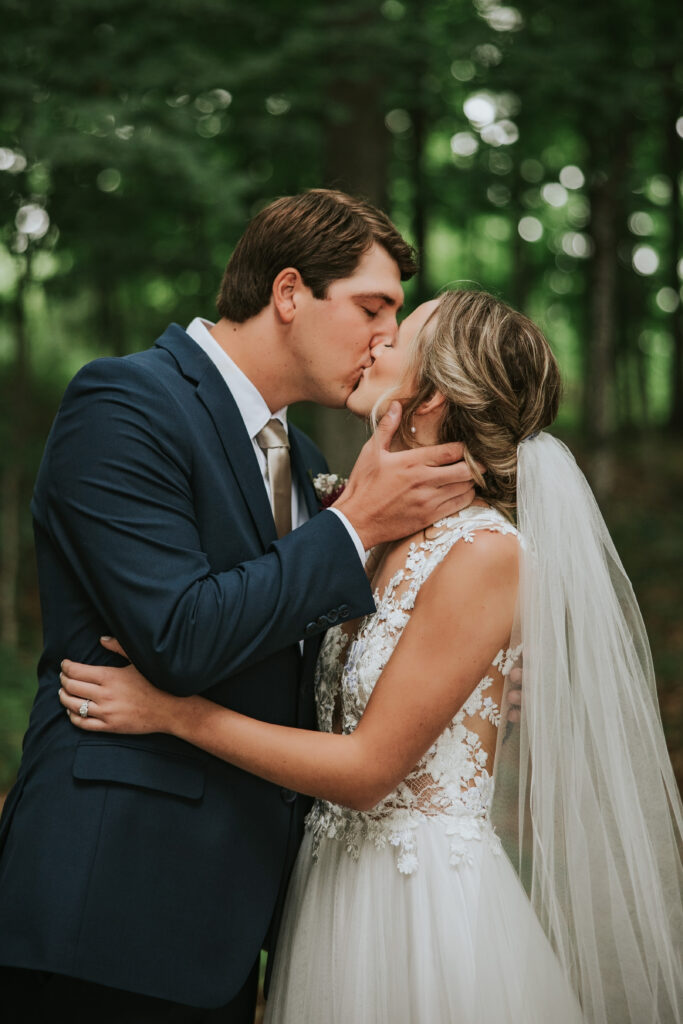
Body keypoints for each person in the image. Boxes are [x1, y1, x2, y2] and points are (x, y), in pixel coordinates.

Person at [60, 289, 683, 1024]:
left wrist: (174, 713)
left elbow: (365, 771)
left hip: (417, 905)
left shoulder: (486, 554)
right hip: (326, 890)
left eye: (399, 336)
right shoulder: (359, 531)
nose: (376, 341)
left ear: (429, 398)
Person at [0, 190, 480, 1023]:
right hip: (109, 903)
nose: (386, 338)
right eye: (372, 307)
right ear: (289, 293)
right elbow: (179, 637)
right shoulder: (124, 404)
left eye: (396, 317)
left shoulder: (304, 455)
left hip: (235, 920)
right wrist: (353, 523)